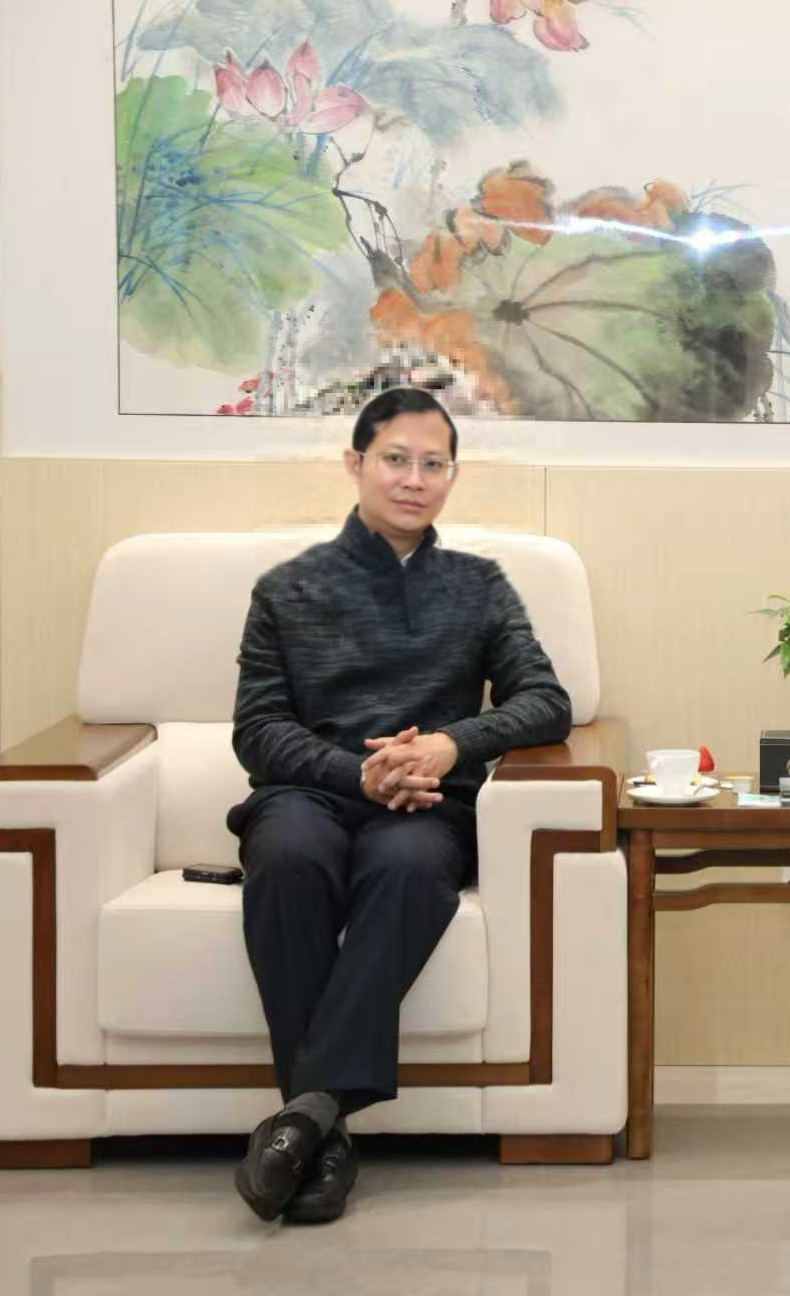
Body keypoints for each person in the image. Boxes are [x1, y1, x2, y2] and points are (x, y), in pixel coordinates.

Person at [225, 387, 572, 1224]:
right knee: (287, 856)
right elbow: (257, 729)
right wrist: (359, 774)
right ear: (356, 463)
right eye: (395, 460)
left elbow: (547, 701)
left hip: (425, 807)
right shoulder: (288, 589)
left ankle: (306, 1118)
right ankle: (324, 1131)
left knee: (410, 868)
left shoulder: (480, 588)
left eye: (433, 464)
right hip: (309, 795)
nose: (415, 480)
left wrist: (451, 744)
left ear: (451, 476)